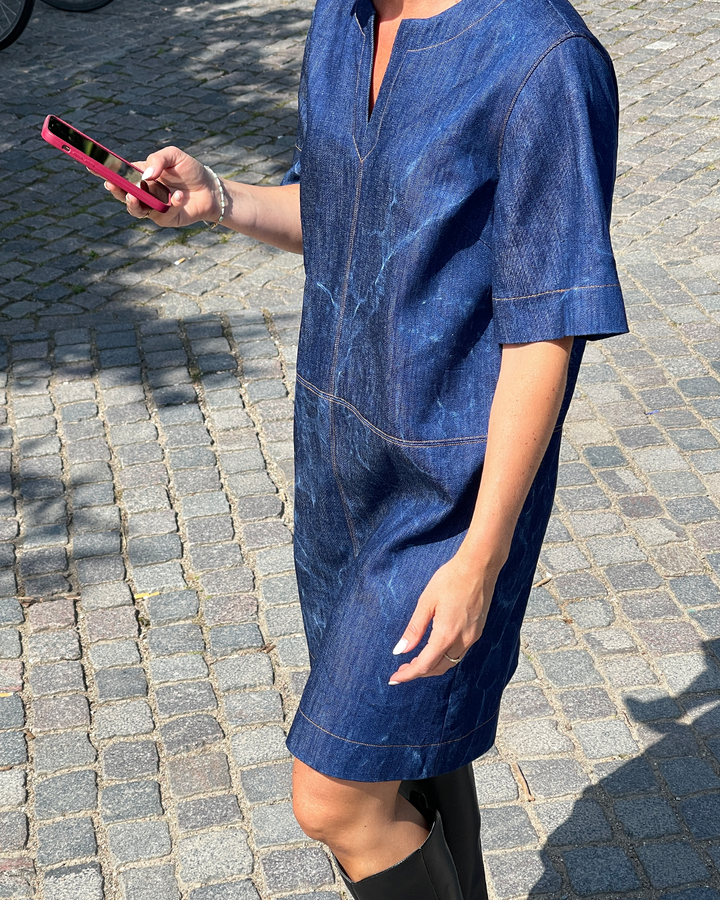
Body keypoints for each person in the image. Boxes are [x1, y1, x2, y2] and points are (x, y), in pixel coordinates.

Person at [106, 0, 628, 896]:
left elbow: (548, 330)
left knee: (335, 795)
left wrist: (482, 556)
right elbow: (341, 207)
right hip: (337, 470)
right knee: (408, 759)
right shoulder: (342, 22)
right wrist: (219, 199)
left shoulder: (543, 61)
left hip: (450, 498)